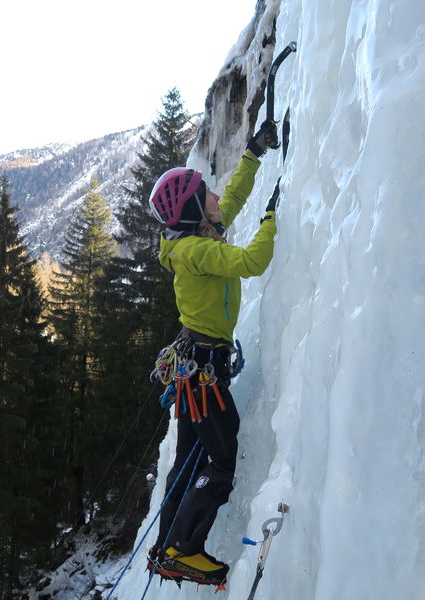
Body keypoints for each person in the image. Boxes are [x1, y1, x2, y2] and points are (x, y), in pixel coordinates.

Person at [146, 120, 282, 585]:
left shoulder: (196, 234)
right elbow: (251, 261)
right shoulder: (196, 252)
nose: (216, 197)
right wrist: (272, 221)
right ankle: (182, 548)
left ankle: (168, 546)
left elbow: (231, 200)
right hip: (204, 373)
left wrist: (253, 155)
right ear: (192, 213)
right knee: (221, 460)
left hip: (196, 369)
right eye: (206, 193)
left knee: (187, 460)